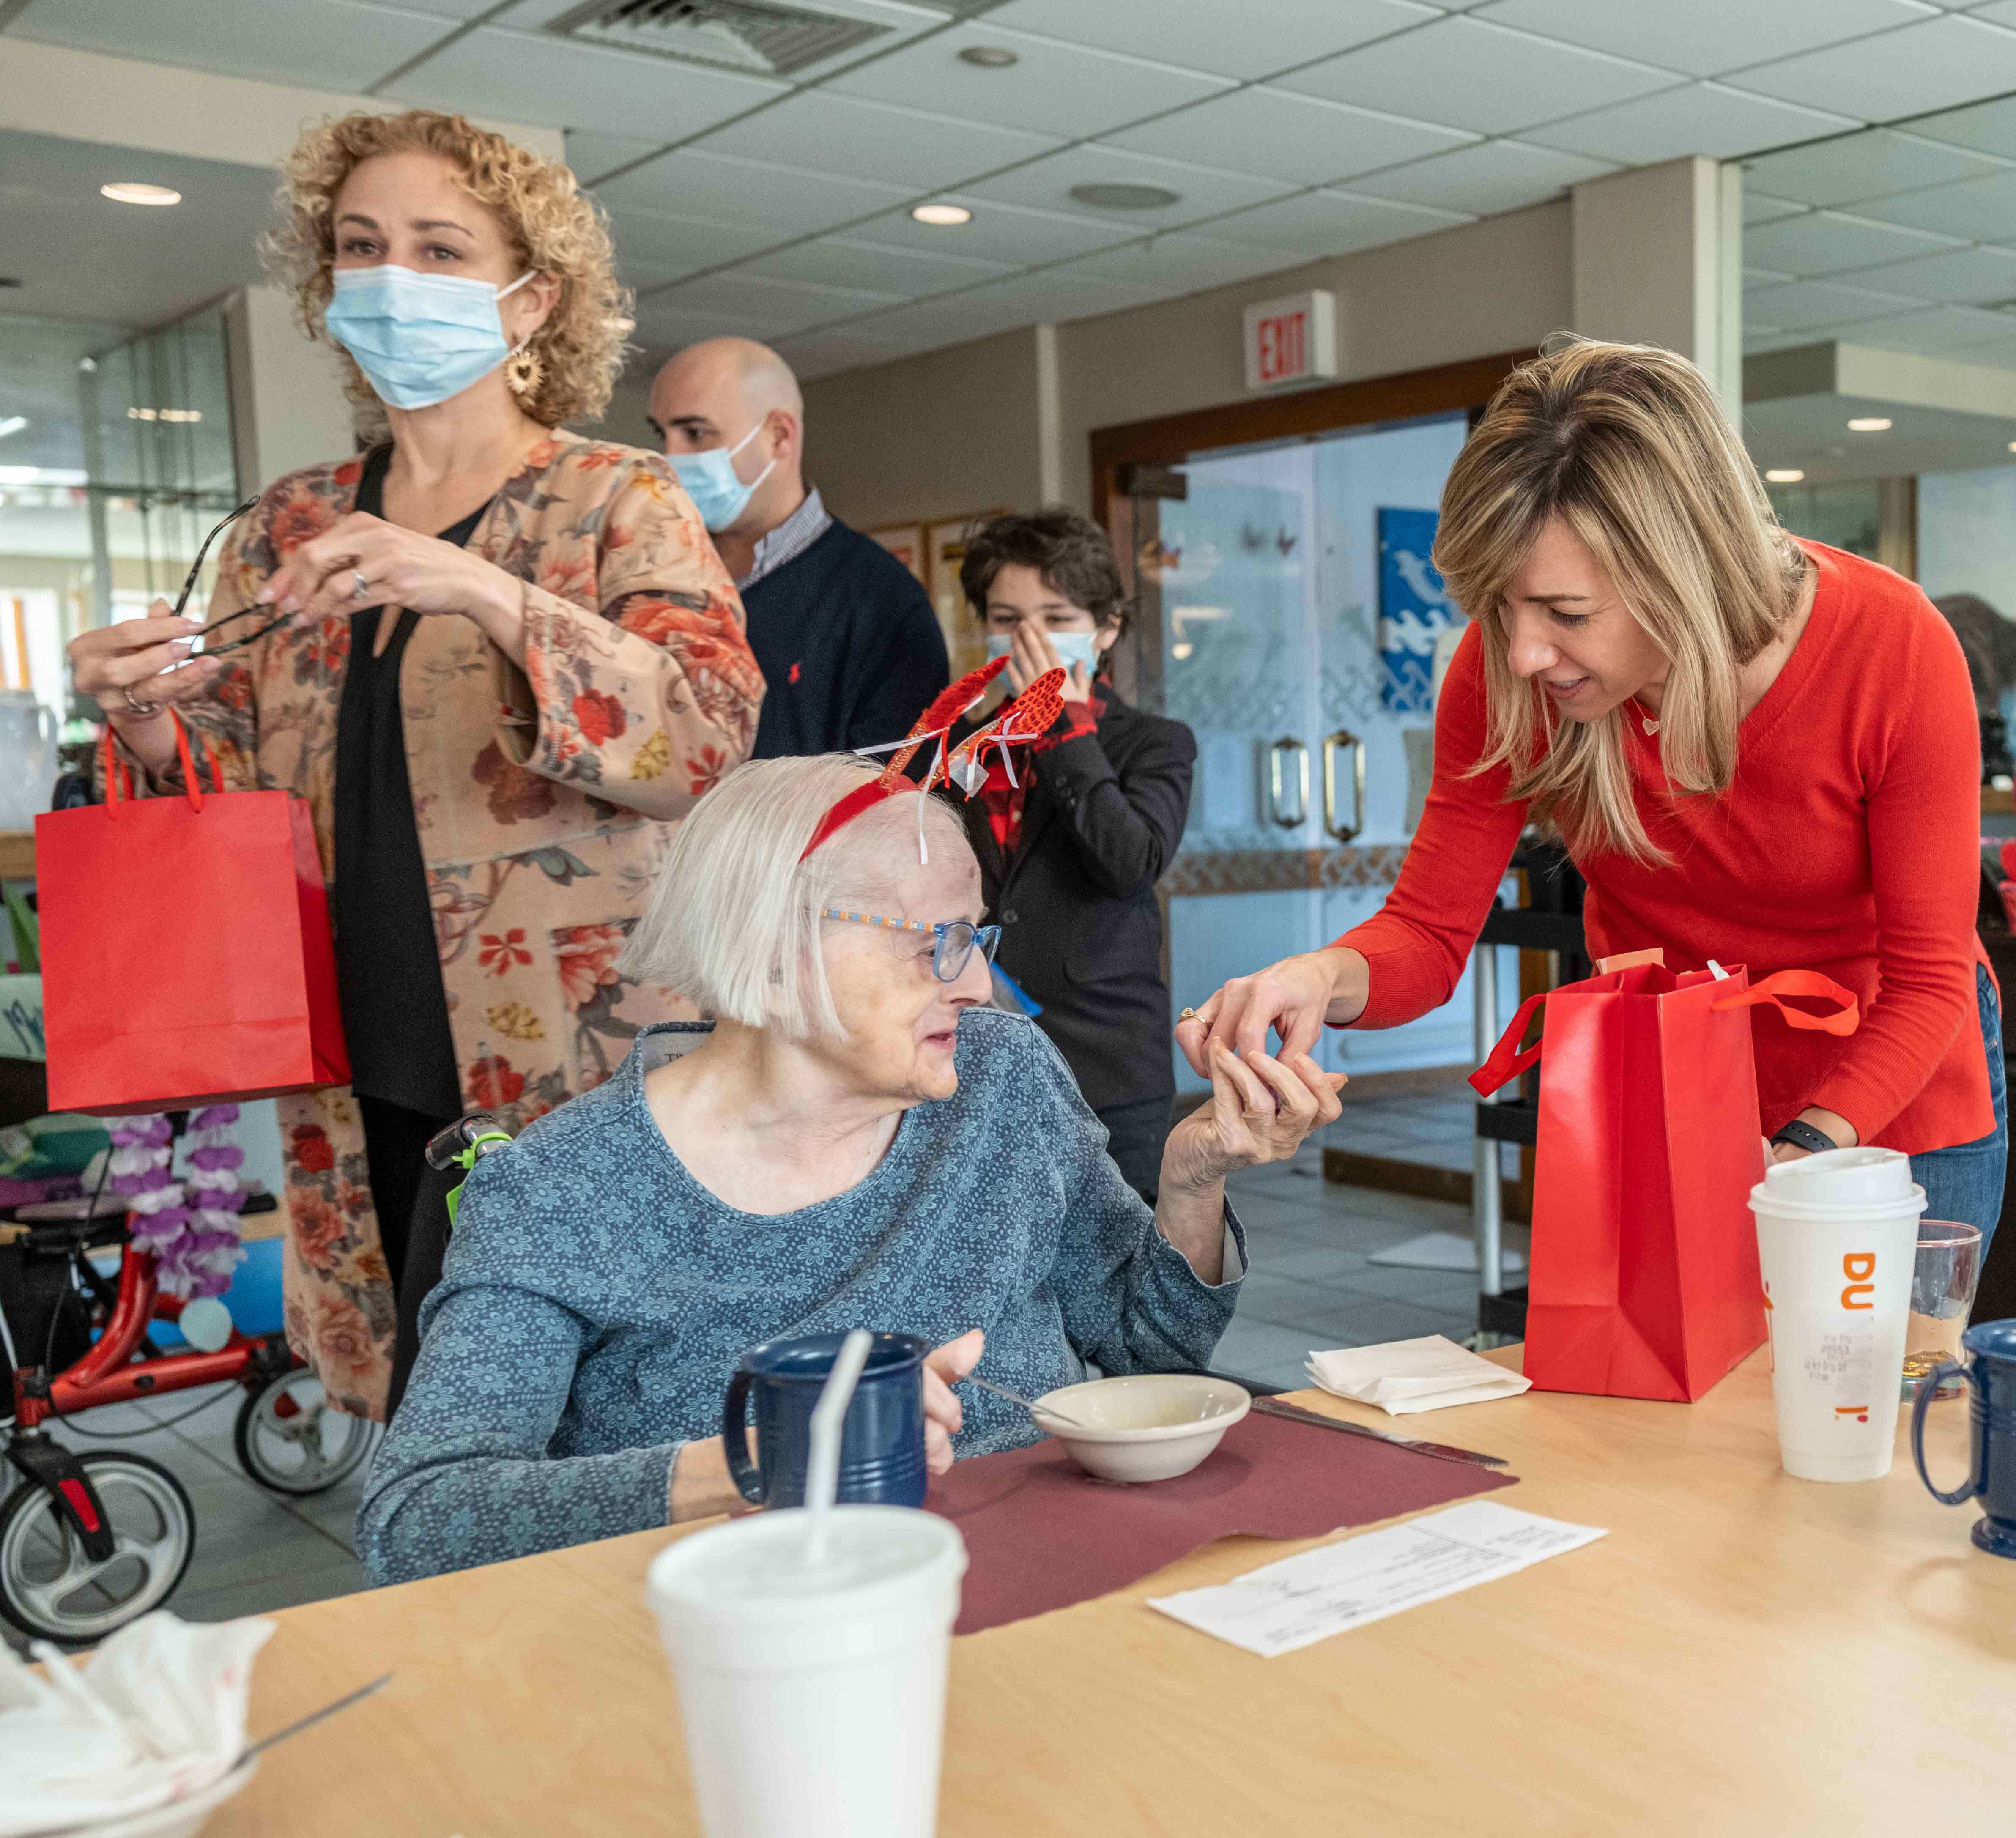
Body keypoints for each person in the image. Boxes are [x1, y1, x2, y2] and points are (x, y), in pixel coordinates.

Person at [61, 109, 759, 1417]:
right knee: (431, 1415)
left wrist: (484, 592)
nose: (394, 278)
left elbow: (708, 733)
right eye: (362, 246)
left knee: (611, 1412)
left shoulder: (615, 500)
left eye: (441, 249)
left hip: (576, 1064)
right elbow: (231, 779)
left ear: (528, 300)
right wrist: (148, 718)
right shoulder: (288, 525)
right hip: (347, 1055)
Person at [357, 753, 1339, 1584]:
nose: (973, 983)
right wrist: (756, 1462)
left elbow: (1148, 1361)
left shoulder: (1002, 1084)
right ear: (775, 956)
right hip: (760, 1643)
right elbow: (419, 1520)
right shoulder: (569, 1189)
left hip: (1053, 1587)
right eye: (935, 946)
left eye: (976, 938)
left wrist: (1192, 1179)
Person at [1176, 338, 2005, 1231]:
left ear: (1683, 577)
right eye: (1501, 606)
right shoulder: (1511, 670)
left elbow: (1929, 981)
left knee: (1868, 1371)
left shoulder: (1893, 648)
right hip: (1669, 1074)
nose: (1526, 652)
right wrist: (1315, 976)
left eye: (1567, 614)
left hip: (1888, 1088)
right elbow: (1427, 931)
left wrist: (1804, 1146)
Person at [954, 509, 1196, 1201]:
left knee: (1115, 1280)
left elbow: (1129, 862)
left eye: (1055, 618)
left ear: (1106, 628)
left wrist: (1060, 722)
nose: (1029, 640)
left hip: (1106, 1067)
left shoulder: (1154, 742)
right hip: (972, 1057)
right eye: (1008, 618)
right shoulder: (959, 746)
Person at [646, 337, 948, 758]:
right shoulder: (649, 573)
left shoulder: (881, 604)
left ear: (779, 436)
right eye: (662, 434)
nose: (668, 457)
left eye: (695, 433)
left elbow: (892, 799)